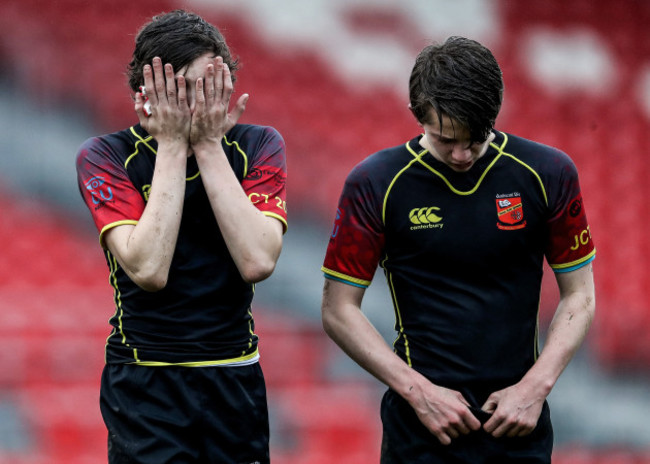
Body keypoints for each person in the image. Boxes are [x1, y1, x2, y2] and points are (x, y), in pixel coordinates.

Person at [320, 36, 595, 463]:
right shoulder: (376, 182)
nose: (463, 153)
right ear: (416, 114)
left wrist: (534, 389)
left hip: (520, 424)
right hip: (420, 428)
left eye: (476, 137)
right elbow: (338, 309)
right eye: (446, 139)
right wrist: (419, 392)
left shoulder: (548, 172)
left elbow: (580, 294)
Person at [75, 10, 287, 464]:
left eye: (214, 87)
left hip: (234, 380)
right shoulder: (105, 155)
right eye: (185, 90)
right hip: (145, 383)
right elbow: (148, 269)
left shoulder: (260, 144)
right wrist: (172, 145)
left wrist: (208, 146)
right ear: (146, 92)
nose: (203, 103)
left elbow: (258, 261)